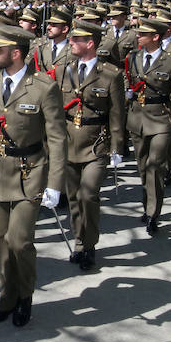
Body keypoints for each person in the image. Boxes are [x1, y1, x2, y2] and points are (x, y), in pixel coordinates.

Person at [0, 24, 67, 327]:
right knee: (0, 239)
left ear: (16, 53)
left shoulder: (42, 87)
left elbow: (56, 137)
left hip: (29, 171)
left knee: (19, 241)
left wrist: (55, 183)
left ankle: (25, 295)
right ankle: (8, 295)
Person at [53, 20, 125, 271]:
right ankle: (80, 240)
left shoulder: (110, 74)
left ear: (90, 43)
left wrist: (117, 148)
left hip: (97, 144)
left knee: (88, 194)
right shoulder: (64, 70)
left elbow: (117, 114)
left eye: (76, 40)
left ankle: (90, 244)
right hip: (70, 142)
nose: (70, 43)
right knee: (73, 198)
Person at [124, 17, 171, 235]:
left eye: (143, 34)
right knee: (142, 168)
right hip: (137, 119)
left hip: (161, 119)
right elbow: (128, 81)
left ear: (156, 37)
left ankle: (153, 213)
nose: (138, 36)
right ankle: (147, 204)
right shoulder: (132, 58)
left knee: (155, 167)